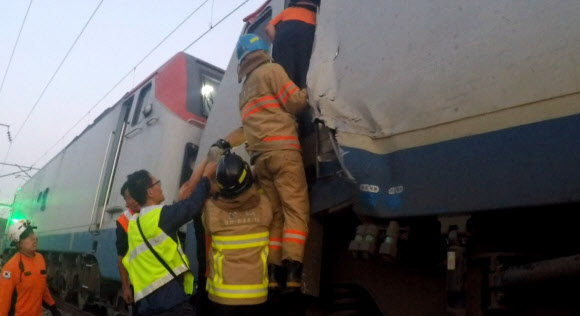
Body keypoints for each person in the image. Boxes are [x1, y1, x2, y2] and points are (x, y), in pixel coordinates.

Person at [215, 34, 310, 291]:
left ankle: (272, 274)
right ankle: (292, 272)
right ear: (262, 50)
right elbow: (294, 101)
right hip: (284, 152)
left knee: (277, 216)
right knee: (295, 210)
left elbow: (246, 127)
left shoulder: (243, 92)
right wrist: (310, 90)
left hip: (261, 161)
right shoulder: (272, 70)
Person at [121, 160, 216, 315]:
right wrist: (205, 178)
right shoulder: (161, 217)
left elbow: (165, 221)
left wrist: (178, 201)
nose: (160, 185)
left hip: (146, 304)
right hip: (169, 301)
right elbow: (192, 205)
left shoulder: (134, 223)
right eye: (156, 183)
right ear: (150, 192)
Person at [203, 151, 272, 316]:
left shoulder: (210, 210)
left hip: (222, 297)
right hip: (256, 296)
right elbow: (260, 188)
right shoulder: (264, 204)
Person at [0, 219, 61, 316]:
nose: (33, 238)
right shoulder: (10, 268)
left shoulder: (40, 259)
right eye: (27, 236)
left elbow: (42, 287)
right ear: (17, 243)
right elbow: (3, 302)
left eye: (32, 233)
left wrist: (53, 307)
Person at [265, 0, 318, 89]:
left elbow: (268, 28)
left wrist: (277, 42)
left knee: (284, 77)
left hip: (285, 34)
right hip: (308, 32)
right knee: (304, 72)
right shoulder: (316, 15)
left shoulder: (287, 12)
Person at [116, 182, 141, 310]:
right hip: (139, 284)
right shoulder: (124, 221)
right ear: (126, 202)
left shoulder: (155, 210)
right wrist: (125, 287)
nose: (134, 199)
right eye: (129, 197)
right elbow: (121, 256)